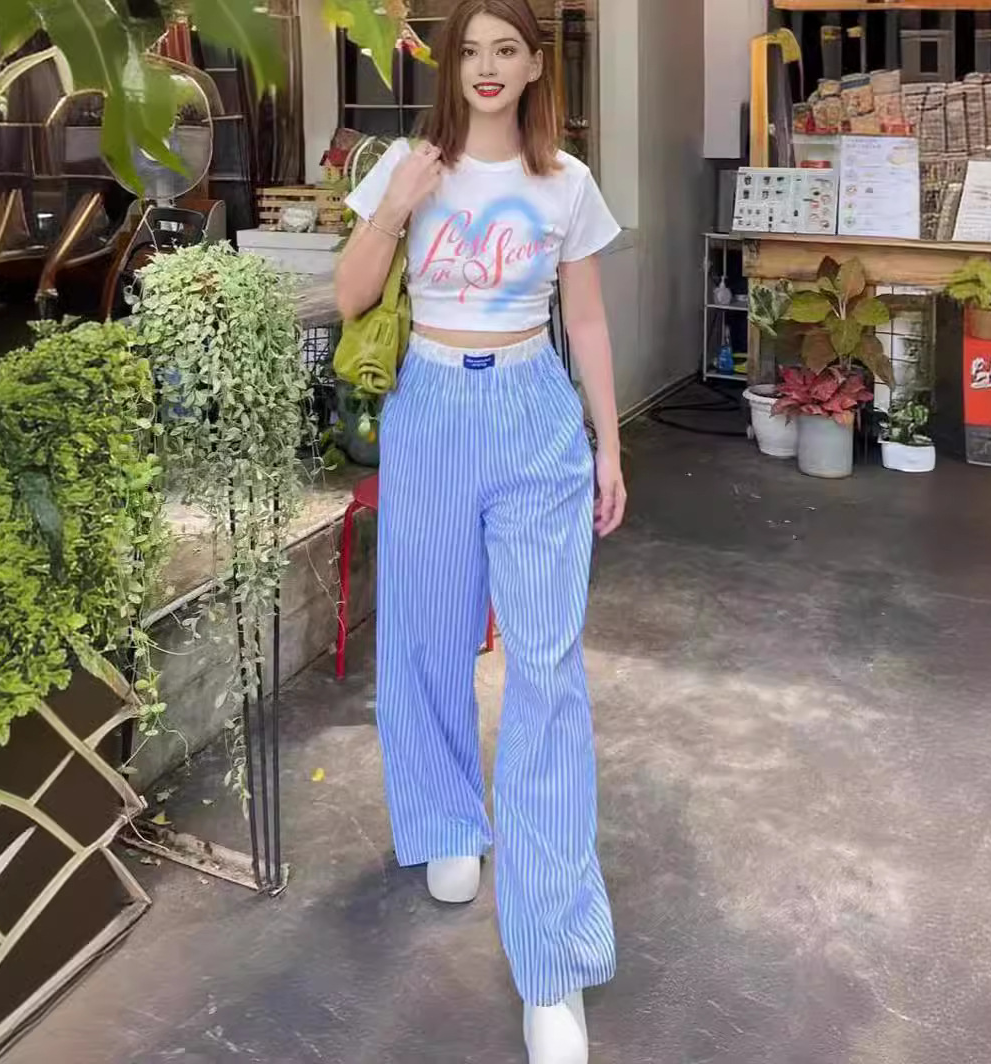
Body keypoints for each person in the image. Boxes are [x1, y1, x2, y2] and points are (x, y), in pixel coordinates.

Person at [337, 1, 624, 1060]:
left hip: (532, 409)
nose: (487, 68)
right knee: (425, 635)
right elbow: (350, 295)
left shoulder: (566, 182)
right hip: (429, 410)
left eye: (506, 50)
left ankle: (553, 958)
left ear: (536, 64)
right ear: (449, 65)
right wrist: (390, 208)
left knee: (546, 669)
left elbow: (584, 318)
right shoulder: (407, 167)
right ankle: (447, 819)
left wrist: (608, 445)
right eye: (470, 51)